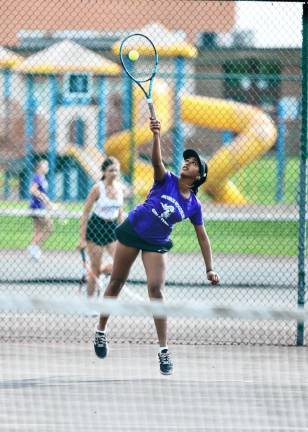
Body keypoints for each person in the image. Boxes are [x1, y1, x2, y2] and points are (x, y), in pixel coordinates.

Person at [93, 118, 220, 376]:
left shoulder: (194, 205)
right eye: (187, 160)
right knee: (116, 282)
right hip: (133, 230)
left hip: (156, 243)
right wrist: (156, 136)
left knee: (156, 290)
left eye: (194, 163)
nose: (188, 162)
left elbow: (203, 237)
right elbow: (156, 162)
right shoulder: (167, 179)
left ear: (199, 176)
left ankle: (163, 351)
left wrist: (210, 268)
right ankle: (100, 331)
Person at [78, 157, 124, 297]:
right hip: (97, 227)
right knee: (95, 269)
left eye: (116, 170)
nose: (114, 173)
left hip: (112, 228)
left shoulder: (120, 188)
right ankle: (89, 302)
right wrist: (82, 238)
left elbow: (120, 213)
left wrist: (123, 234)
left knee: (121, 264)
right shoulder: (97, 188)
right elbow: (85, 212)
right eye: (111, 170)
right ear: (104, 172)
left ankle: (97, 272)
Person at [27, 159, 54, 261]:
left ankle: (35, 250)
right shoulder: (37, 177)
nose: (47, 167)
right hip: (36, 207)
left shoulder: (43, 178)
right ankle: (33, 247)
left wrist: (47, 203)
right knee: (49, 227)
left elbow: (42, 193)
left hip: (41, 207)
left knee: (38, 230)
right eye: (45, 165)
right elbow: (33, 190)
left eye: (47, 165)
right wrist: (44, 198)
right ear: (39, 167)